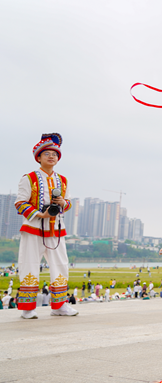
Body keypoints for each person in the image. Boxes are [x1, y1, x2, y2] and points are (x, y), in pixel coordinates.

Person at [13, 134, 77, 319]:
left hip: (56, 230)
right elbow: (20, 202)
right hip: (33, 229)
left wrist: (63, 202)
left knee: (61, 265)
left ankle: (60, 305)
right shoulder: (29, 178)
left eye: (55, 154)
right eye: (47, 154)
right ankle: (28, 308)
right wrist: (41, 214)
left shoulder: (63, 180)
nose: (51, 157)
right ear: (38, 157)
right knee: (29, 264)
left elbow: (69, 203)